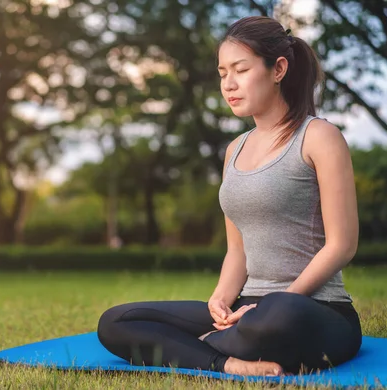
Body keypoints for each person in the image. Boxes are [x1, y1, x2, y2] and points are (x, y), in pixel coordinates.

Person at [96, 15, 362, 377]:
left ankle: (188, 348)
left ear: (278, 69)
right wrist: (221, 299)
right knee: (116, 321)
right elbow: (237, 250)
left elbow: (342, 245)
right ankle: (228, 361)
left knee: (276, 317)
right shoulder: (234, 150)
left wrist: (277, 300)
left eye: (240, 69)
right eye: (222, 73)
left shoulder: (319, 137)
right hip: (245, 309)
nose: (229, 84)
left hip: (311, 309)